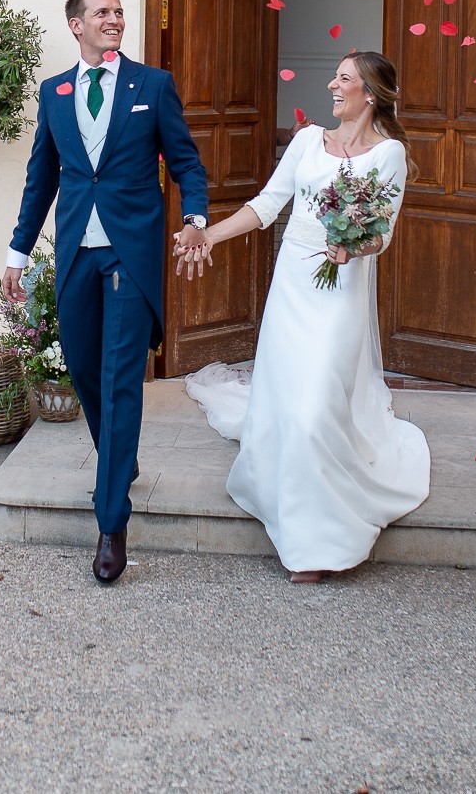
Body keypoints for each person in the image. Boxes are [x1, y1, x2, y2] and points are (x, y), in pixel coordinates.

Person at [177, 52, 429, 582]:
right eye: (335, 76)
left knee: (315, 408)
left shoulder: (390, 156)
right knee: (289, 403)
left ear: (372, 94)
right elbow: (267, 206)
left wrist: (353, 247)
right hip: (293, 282)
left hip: (340, 291)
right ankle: (301, 532)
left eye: (344, 79)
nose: (332, 85)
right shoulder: (307, 140)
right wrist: (208, 235)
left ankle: (324, 540)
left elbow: (382, 233)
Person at [3, 0, 210, 584]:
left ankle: (111, 520)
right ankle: (122, 457)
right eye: (103, 13)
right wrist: (16, 253)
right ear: (77, 26)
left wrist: (195, 217)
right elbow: (41, 179)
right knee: (84, 366)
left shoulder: (153, 87)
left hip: (130, 254)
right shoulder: (55, 91)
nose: (115, 20)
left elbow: (187, 162)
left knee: (121, 380)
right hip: (76, 254)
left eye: (119, 13)